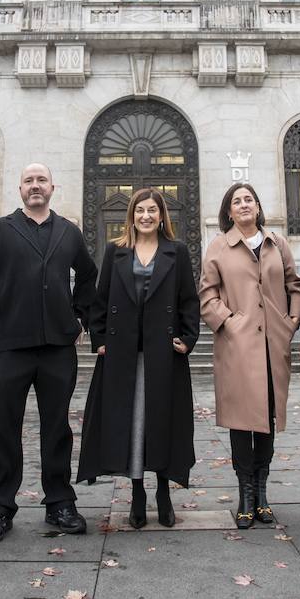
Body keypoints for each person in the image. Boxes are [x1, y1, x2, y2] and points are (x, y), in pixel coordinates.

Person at [0, 163, 99, 543]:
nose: (35, 186)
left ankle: (59, 502)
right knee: (2, 430)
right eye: (29, 181)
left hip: (57, 349)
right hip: (6, 348)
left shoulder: (68, 232)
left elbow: (90, 275)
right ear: (20, 189)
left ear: (53, 187)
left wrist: (78, 317)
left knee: (57, 428)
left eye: (42, 180)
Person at [77, 188, 200, 529]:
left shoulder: (177, 252)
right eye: (140, 210)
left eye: (153, 210)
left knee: (162, 422)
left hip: (164, 354)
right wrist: (99, 339)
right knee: (131, 424)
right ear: (131, 215)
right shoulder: (116, 251)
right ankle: (137, 493)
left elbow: (189, 300)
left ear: (162, 216)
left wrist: (188, 339)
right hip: (123, 353)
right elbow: (100, 301)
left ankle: (162, 491)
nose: (146, 216)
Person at [198, 183, 300, 529]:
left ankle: (262, 491)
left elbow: (295, 285)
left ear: (258, 207)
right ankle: (245, 493)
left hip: (274, 343)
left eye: (249, 200)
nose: (243, 205)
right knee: (242, 421)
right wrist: (229, 323)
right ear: (228, 212)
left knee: (268, 419)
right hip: (237, 348)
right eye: (236, 201)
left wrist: (290, 323)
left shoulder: (277, 244)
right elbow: (207, 294)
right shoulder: (218, 247)